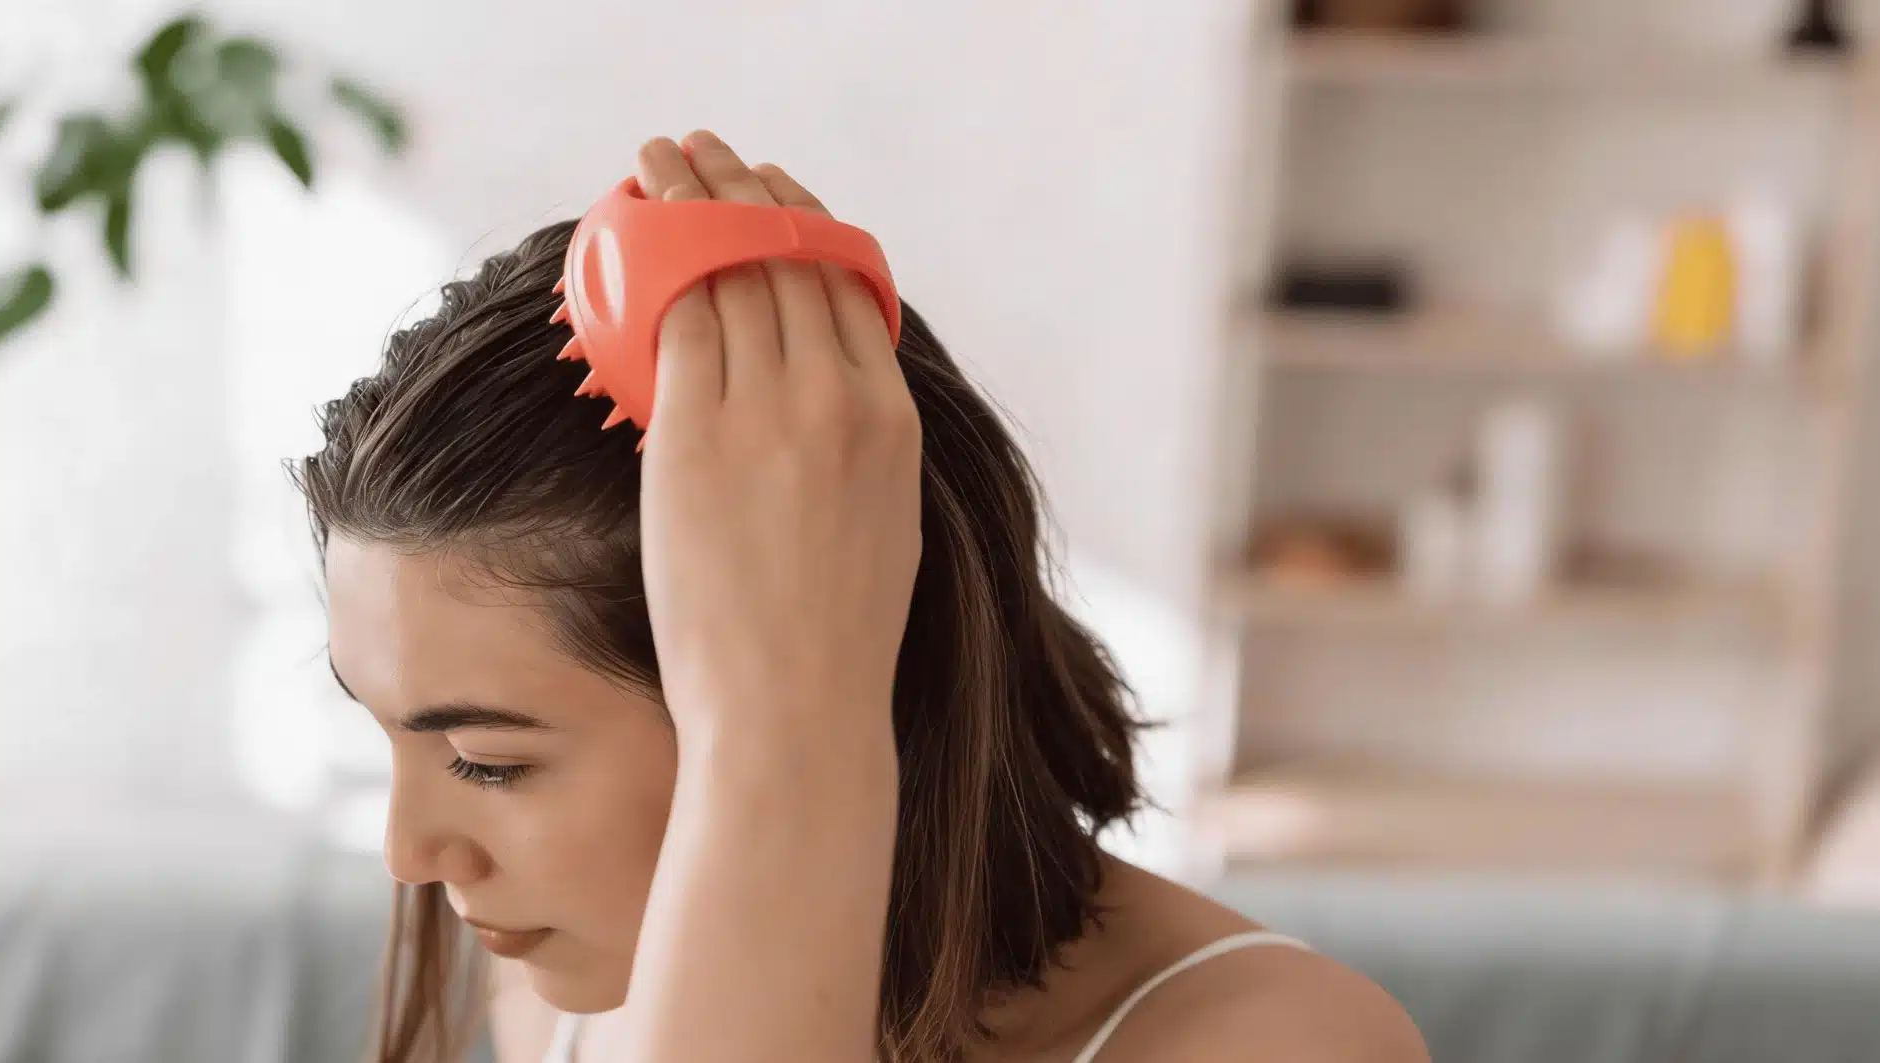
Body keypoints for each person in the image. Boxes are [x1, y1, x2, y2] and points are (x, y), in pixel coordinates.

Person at [298, 130, 1427, 1063]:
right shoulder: (567, 988)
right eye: (385, 728)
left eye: (490, 760)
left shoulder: (1277, 1044)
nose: (408, 851)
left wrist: (783, 723)